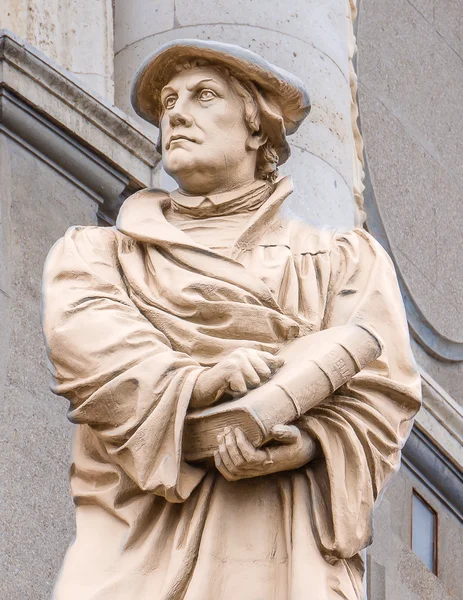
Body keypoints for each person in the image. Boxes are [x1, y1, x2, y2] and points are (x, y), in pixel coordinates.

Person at [42, 39, 421, 600]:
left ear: (256, 128)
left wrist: (311, 442)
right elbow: (94, 351)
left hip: (281, 535)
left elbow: (383, 391)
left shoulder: (341, 259)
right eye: (169, 100)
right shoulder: (99, 255)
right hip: (138, 544)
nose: (176, 113)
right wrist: (199, 381)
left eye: (204, 95)